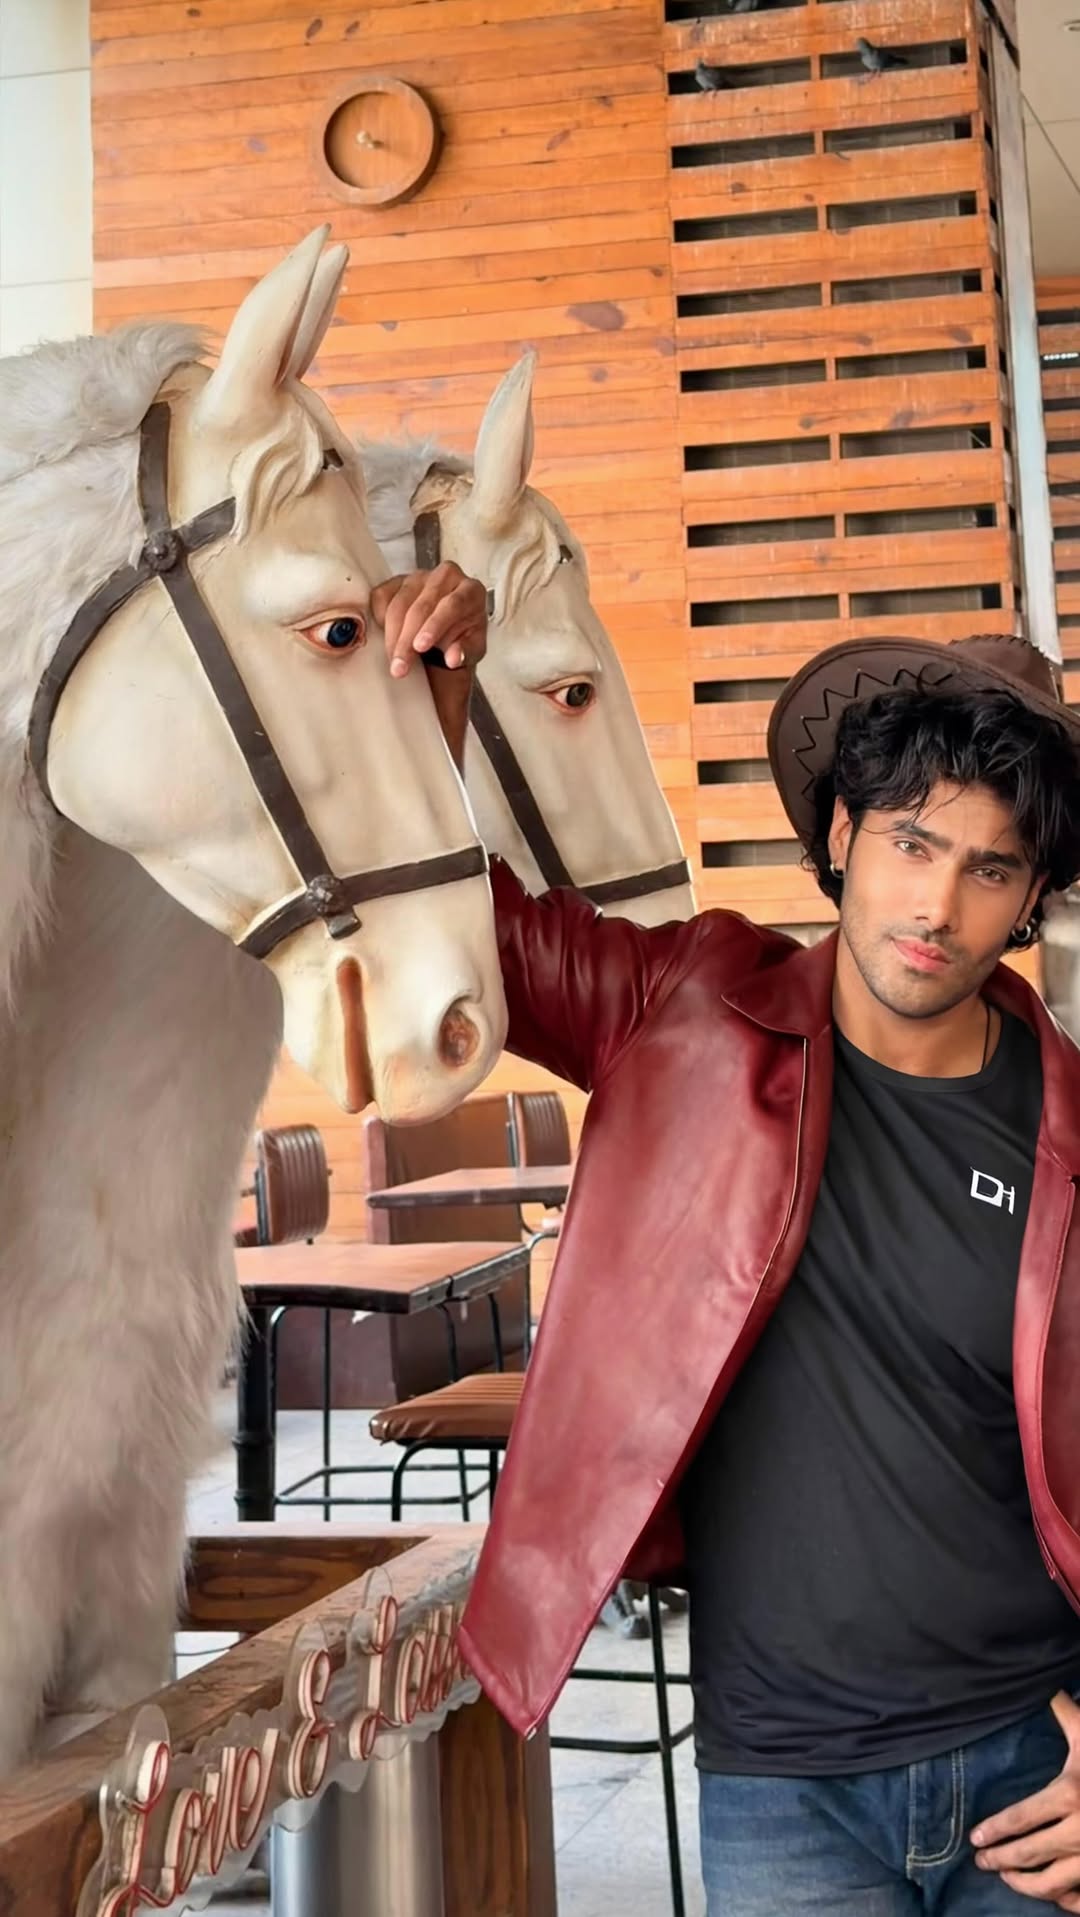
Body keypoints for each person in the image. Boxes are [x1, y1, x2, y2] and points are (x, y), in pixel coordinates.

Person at [379, 568, 1080, 1913]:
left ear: (1032, 890)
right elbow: (472, 929)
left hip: (1031, 1766)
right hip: (784, 1781)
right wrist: (434, 705)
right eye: (912, 843)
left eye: (990, 867)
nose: (937, 906)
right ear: (843, 832)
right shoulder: (687, 1007)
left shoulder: (1068, 1126)